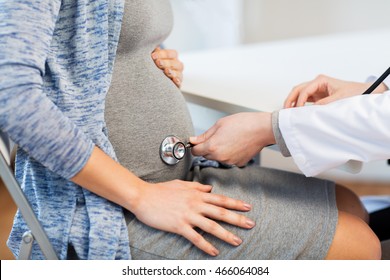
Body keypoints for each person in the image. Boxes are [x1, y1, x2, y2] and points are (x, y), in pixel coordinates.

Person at [0, 0, 378, 260]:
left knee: (349, 205)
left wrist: (153, 58)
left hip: (176, 178)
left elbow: (97, 45)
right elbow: (11, 96)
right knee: (357, 247)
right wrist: (140, 196)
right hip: (110, 208)